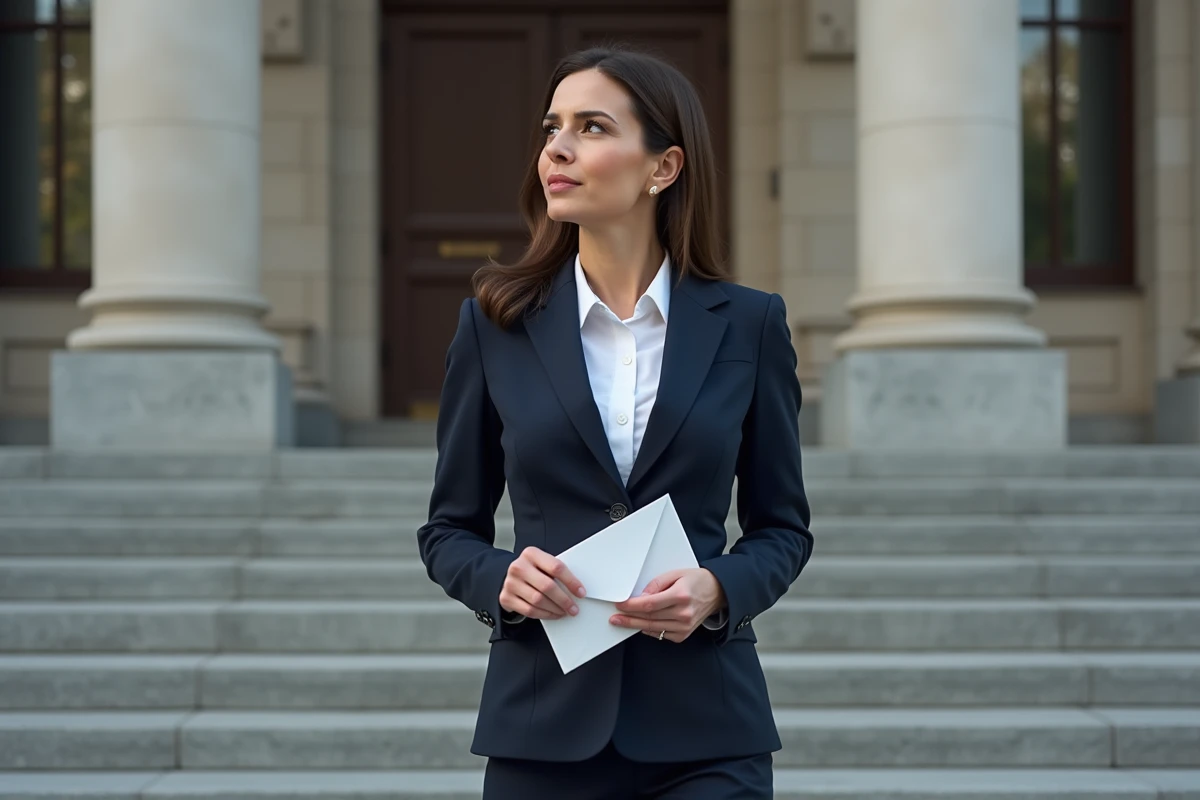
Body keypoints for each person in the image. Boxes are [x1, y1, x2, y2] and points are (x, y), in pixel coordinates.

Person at [416, 45, 813, 799]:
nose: (556, 149)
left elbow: (782, 530)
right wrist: (503, 578)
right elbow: (446, 533)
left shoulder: (752, 326)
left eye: (591, 127)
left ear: (663, 168)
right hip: (543, 730)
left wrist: (717, 589)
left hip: (709, 732)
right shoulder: (492, 327)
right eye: (551, 127)